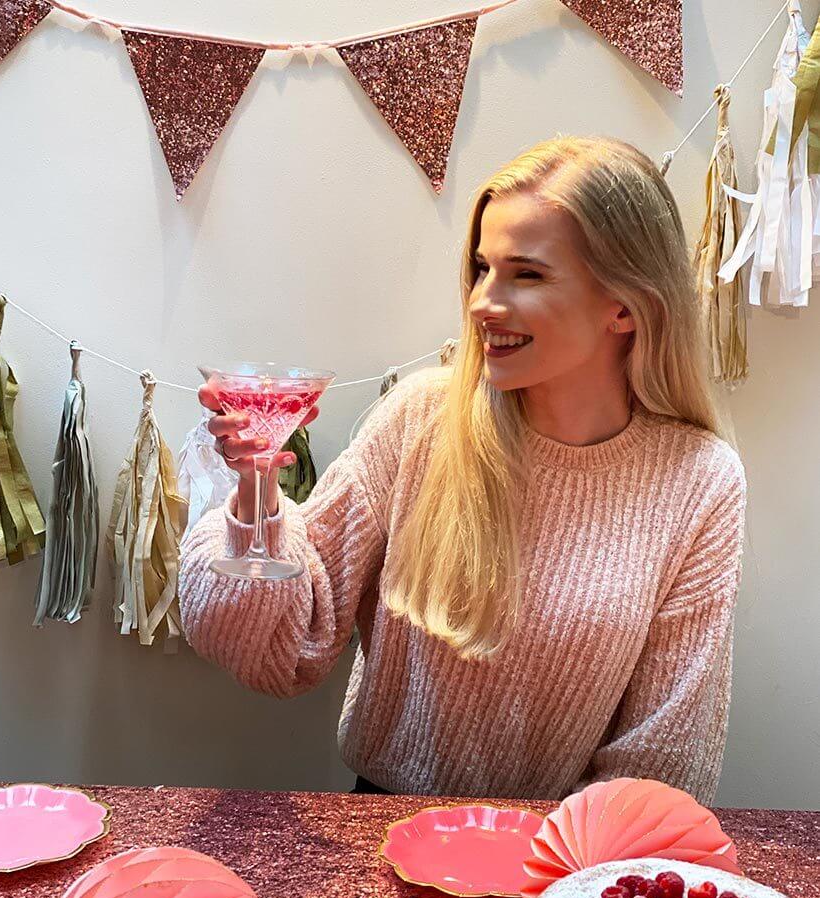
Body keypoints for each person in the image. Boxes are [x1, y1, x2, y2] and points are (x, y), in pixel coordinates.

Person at [179, 136, 746, 806]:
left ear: (624, 305)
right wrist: (254, 496)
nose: (481, 302)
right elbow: (284, 646)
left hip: (569, 857)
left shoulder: (700, 481)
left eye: (526, 274)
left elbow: (662, 761)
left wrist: (559, 877)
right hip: (383, 839)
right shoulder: (419, 419)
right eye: (481, 269)